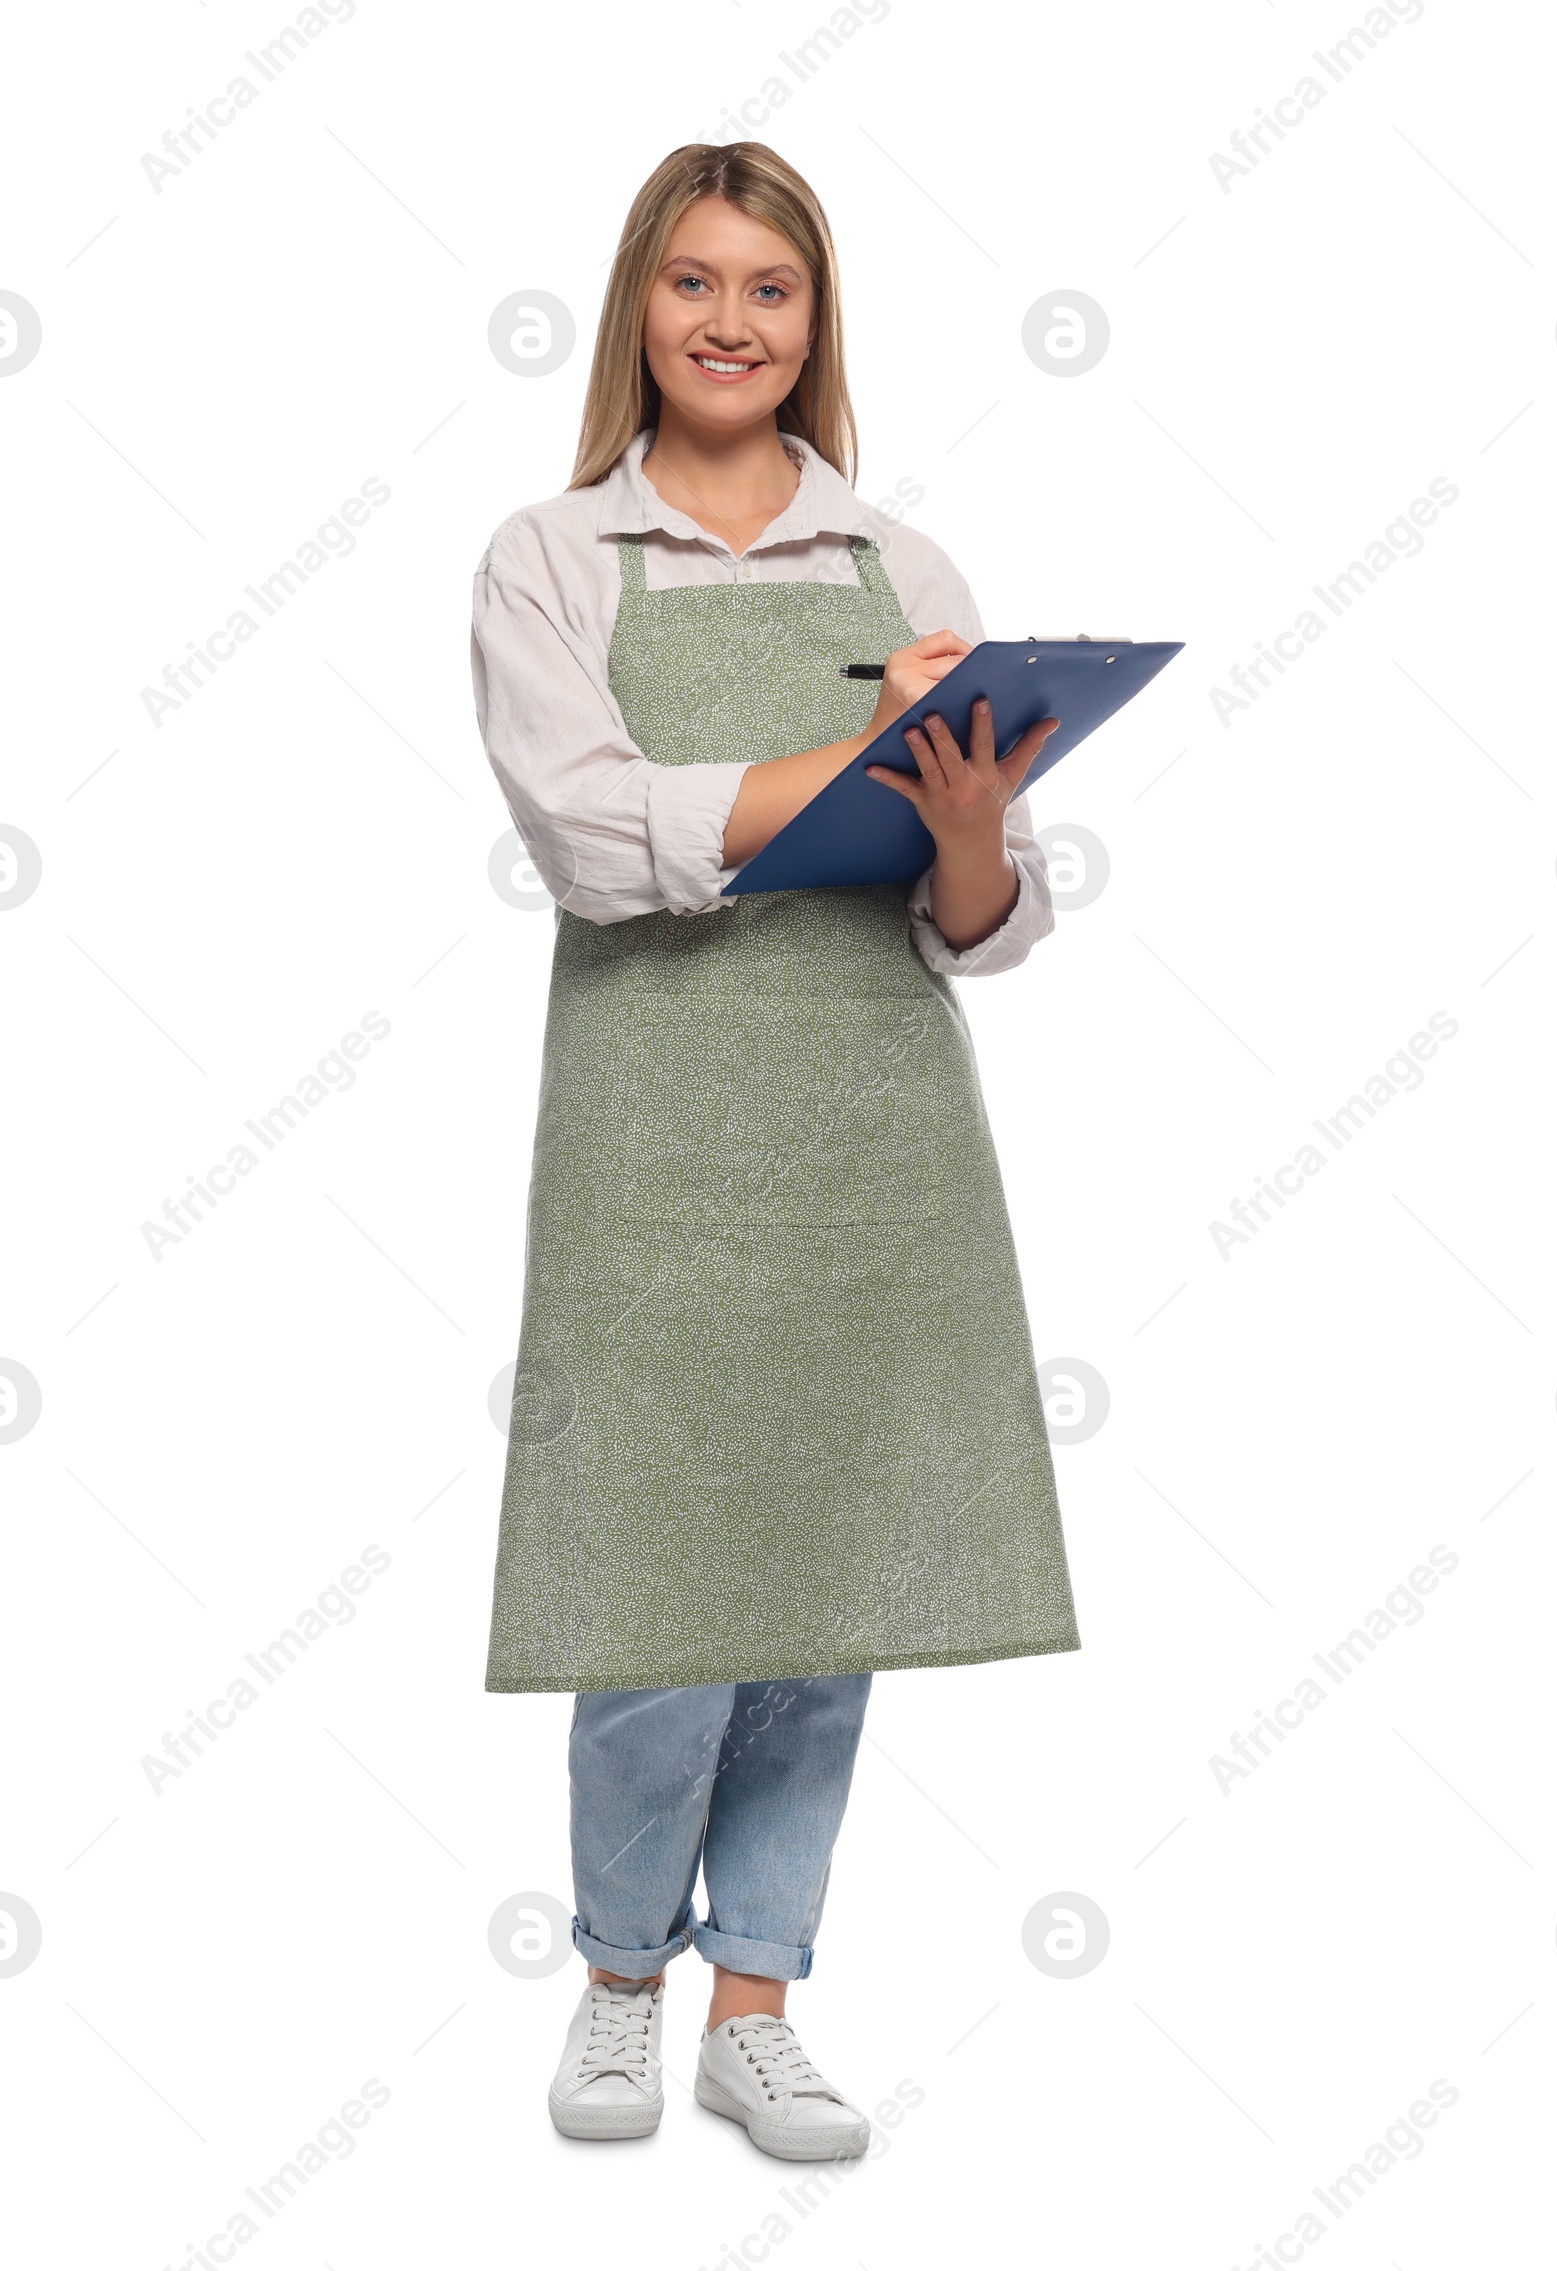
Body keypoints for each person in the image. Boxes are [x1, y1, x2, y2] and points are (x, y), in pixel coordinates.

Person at [470, 141, 1080, 2161]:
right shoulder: (551, 560)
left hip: (867, 1122)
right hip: (652, 1116)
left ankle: (758, 1993)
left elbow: (973, 920)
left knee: (820, 1596)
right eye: (694, 281)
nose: (731, 321)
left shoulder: (904, 574)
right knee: (659, 1581)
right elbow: (583, 834)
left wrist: (968, 812)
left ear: (816, 326)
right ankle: (622, 1977)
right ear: (635, 303)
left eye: (773, 288)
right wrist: (856, 763)